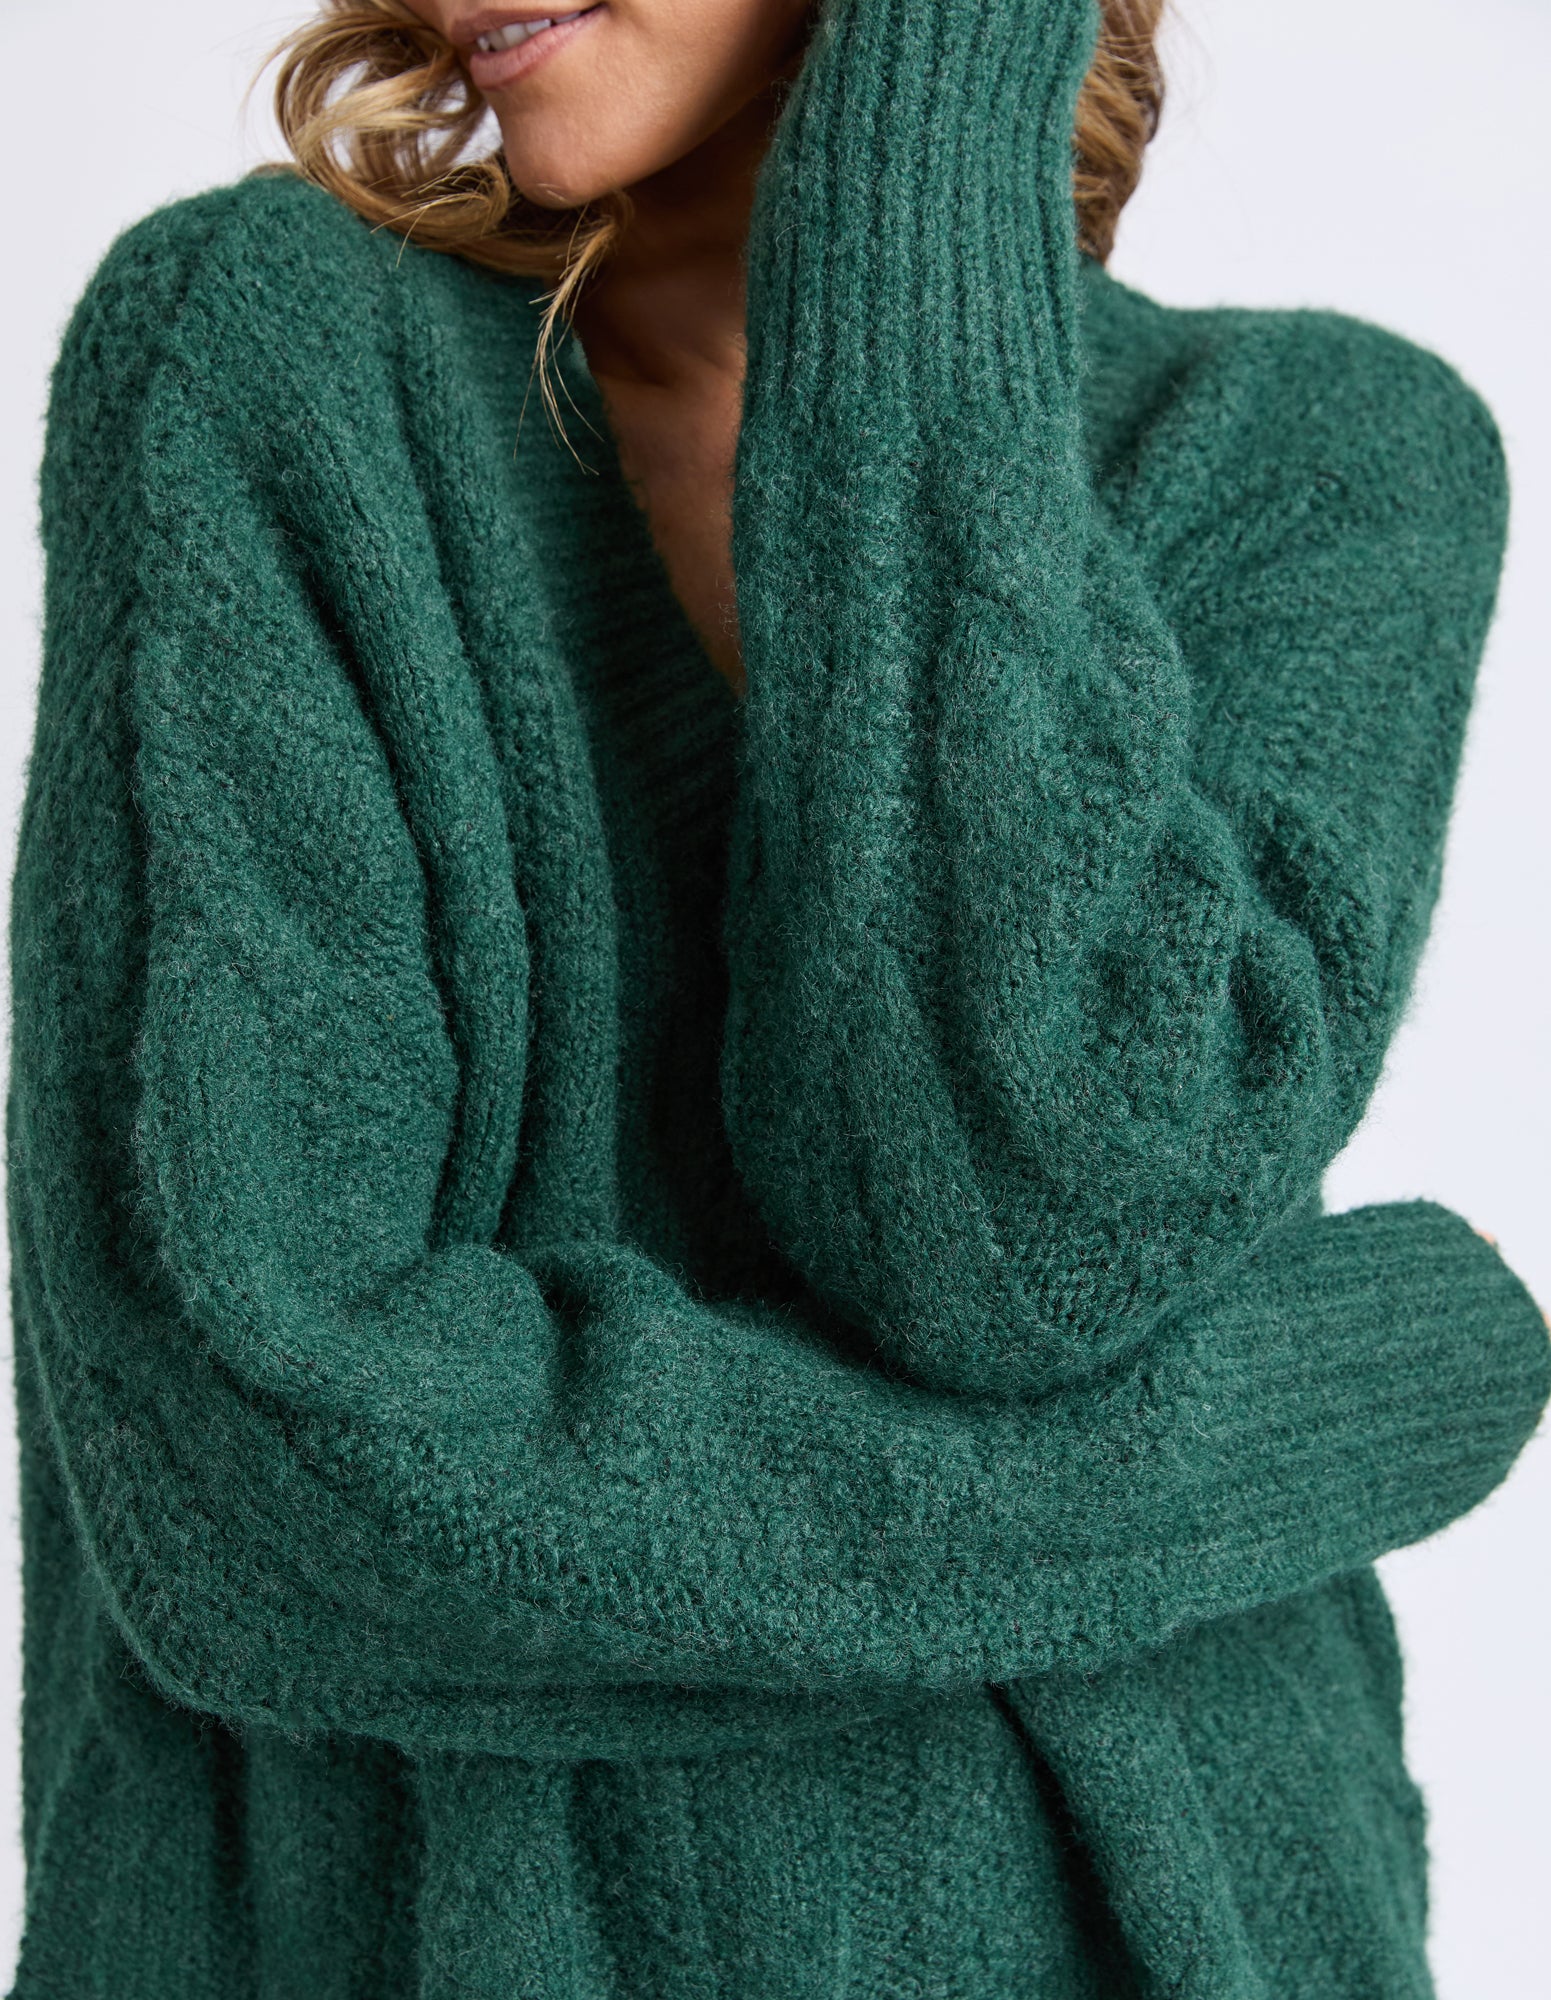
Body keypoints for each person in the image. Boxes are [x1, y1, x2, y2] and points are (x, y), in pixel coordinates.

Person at [7, 0, 1547, 1993]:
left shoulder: (1319, 457)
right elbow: (273, 1489)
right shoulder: (273, 353)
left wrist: (915, 218)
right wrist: (1268, 1435)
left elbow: (1026, 1234)